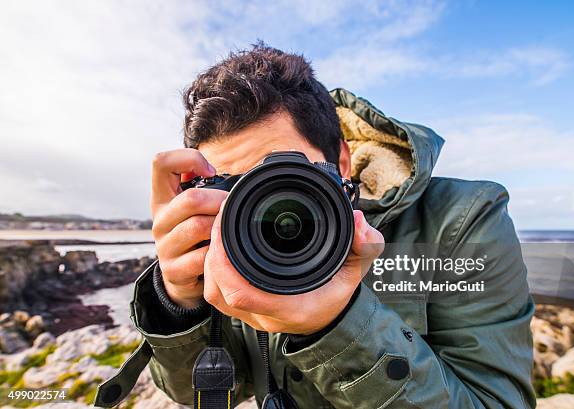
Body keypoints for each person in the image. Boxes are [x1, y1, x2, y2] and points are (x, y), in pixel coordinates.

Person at [95, 44, 535, 409]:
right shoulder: (225, 239)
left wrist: (336, 325)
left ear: (342, 161)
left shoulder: (464, 217)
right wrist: (179, 302)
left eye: (284, 175)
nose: (259, 204)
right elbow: (206, 391)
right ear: (205, 187)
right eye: (234, 187)